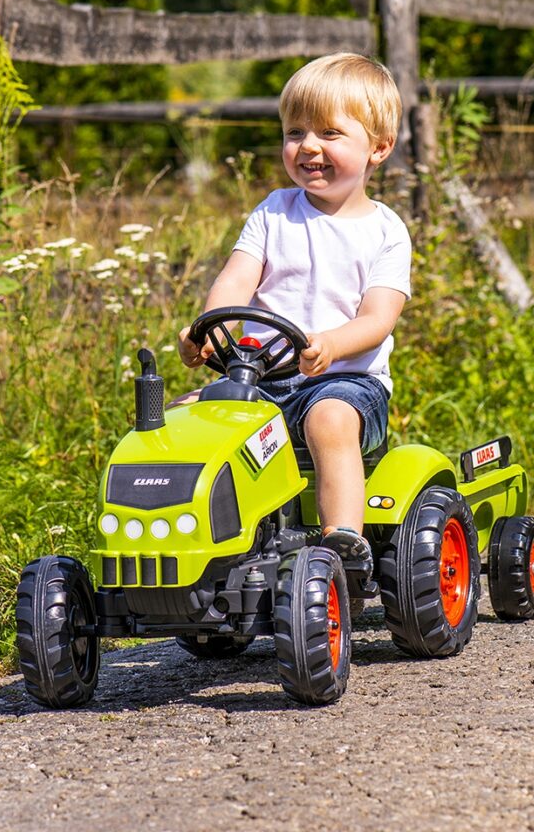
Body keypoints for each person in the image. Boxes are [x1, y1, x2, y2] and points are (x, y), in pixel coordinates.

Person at [175, 52, 412, 576]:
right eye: (295, 131)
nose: (308, 147)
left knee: (328, 419)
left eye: (330, 133)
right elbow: (236, 280)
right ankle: (196, 546)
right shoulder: (273, 211)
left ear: (378, 147)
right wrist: (209, 330)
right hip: (261, 376)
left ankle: (343, 541)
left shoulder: (386, 230)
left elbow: (378, 319)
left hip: (347, 383)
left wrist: (331, 344)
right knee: (186, 415)